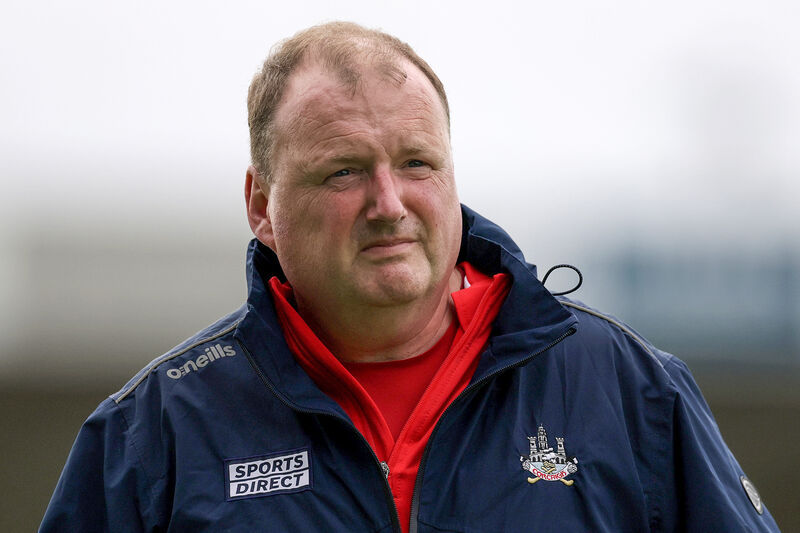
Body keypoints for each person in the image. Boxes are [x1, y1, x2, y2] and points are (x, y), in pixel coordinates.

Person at [40, 21, 780, 533]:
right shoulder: (152, 434)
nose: (388, 205)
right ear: (262, 205)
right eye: (344, 171)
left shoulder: (629, 393)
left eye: (417, 163)